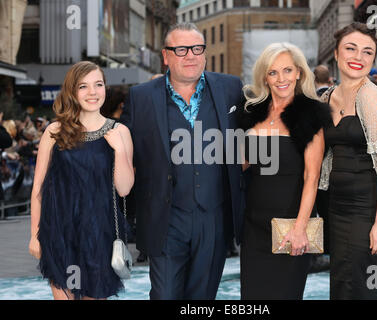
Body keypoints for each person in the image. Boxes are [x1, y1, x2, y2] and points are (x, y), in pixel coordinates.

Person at [120, 22, 244, 300]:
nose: (190, 55)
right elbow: (123, 154)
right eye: (181, 49)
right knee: (165, 295)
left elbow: (257, 132)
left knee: (202, 299)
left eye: (197, 48)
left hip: (214, 219)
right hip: (165, 219)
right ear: (166, 56)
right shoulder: (140, 98)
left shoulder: (231, 88)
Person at [28, 61, 134, 300]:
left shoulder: (120, 132)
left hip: (100, 235)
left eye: (98, 84)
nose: (92, 92)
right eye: (83, 86)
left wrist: (119, 151)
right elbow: (38, 189)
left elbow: (125, 188)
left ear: (105, 88)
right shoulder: (54, 131)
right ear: (72, 92)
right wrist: (34, 234)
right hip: (58, 231)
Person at [237, 42, 330, 299]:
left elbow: (312, 178)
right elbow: (242, 165)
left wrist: (300, 228)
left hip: (290, 226)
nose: (281, 79)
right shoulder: (252, 113)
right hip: (254, 227)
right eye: (273, 72)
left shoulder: (311, 114)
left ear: (299, 73)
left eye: (288, 70)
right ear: (264, 77)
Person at [319, 22, 377, 300]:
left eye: (367, 52)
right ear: (336, 53)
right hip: (339, 205)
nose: (359, 57)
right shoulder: (329, 96)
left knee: (366, 283)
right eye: (351, 49)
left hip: (369, 207)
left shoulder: (370, 96)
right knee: (342, 279)